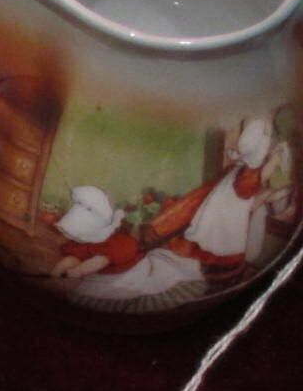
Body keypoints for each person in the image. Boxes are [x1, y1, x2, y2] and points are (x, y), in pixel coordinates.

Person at [153, 114, 294, 277]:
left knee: (219, 237)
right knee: (224, 239)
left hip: (228, 202)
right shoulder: (249, 172)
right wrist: (275, 161)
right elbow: (255, 189)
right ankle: (220, 266)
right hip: (232, 208)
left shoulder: (240, 168)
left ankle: (218, 264)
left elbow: (257, 188)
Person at [49, 185, 205, 304]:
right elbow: (75, 257)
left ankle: (69, 272)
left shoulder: (120, 239)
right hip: (106, 250)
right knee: (85, 256)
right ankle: (64, 272)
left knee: (90, 258)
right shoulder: (95, 239)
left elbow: (102, 257)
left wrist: (78, 271)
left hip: (116, 258)